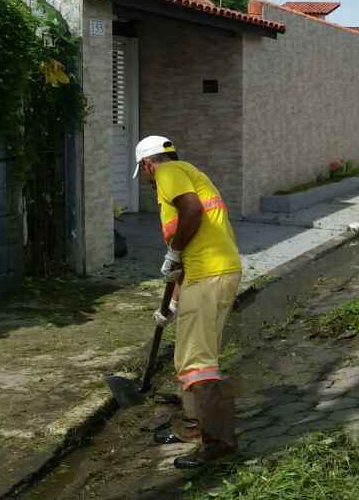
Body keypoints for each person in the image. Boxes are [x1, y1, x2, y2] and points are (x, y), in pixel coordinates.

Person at [135, 135, 241, 469]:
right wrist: (173, 305)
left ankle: (217, 441)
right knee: (187, 358)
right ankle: (195, 427)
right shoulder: (187, 172)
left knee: (198, 362)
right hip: (206, 273)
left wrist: (174, 250)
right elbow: (184, 257)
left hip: (210, 274)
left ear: (147, 163)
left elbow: (192, 212)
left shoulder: (169, 173)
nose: (149, 181)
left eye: (145, 173)